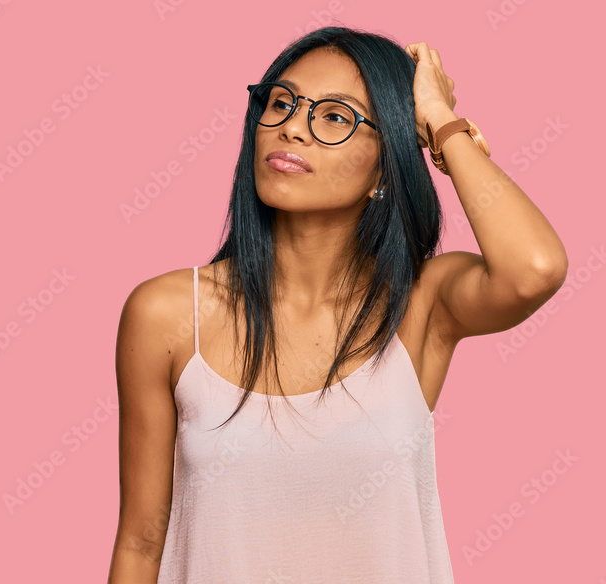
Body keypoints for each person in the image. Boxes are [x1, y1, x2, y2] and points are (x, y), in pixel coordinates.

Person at [106, 25, 567, 583]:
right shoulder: (169, 314)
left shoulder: (422, 303)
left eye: (334, 117)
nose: (292, 127)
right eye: (281, 103)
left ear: (384, 167)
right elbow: (141, 543)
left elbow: (534, 269)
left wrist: (440, 121)